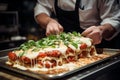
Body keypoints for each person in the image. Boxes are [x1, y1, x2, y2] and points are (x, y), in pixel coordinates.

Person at [34, 0, 120, 48]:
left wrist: (101, 30)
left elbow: (114, 19)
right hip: (62, 45)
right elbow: (41, 9)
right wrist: (49, 21)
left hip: (96, 46)